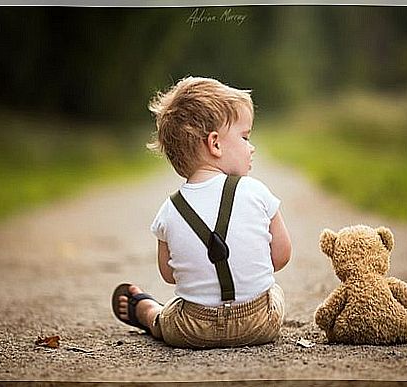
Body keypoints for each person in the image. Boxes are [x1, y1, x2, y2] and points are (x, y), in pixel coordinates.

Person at [111, 76, 292, 348]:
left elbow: (170, 275)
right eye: (245, 137)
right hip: (260, 322)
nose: (251, 147)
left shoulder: (169, 210)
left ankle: (148, 313)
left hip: (191, 329)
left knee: (168, 315)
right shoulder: (257, 192)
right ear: (215, 144)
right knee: (274, 291)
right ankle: (155, 312)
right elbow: (281, 256)